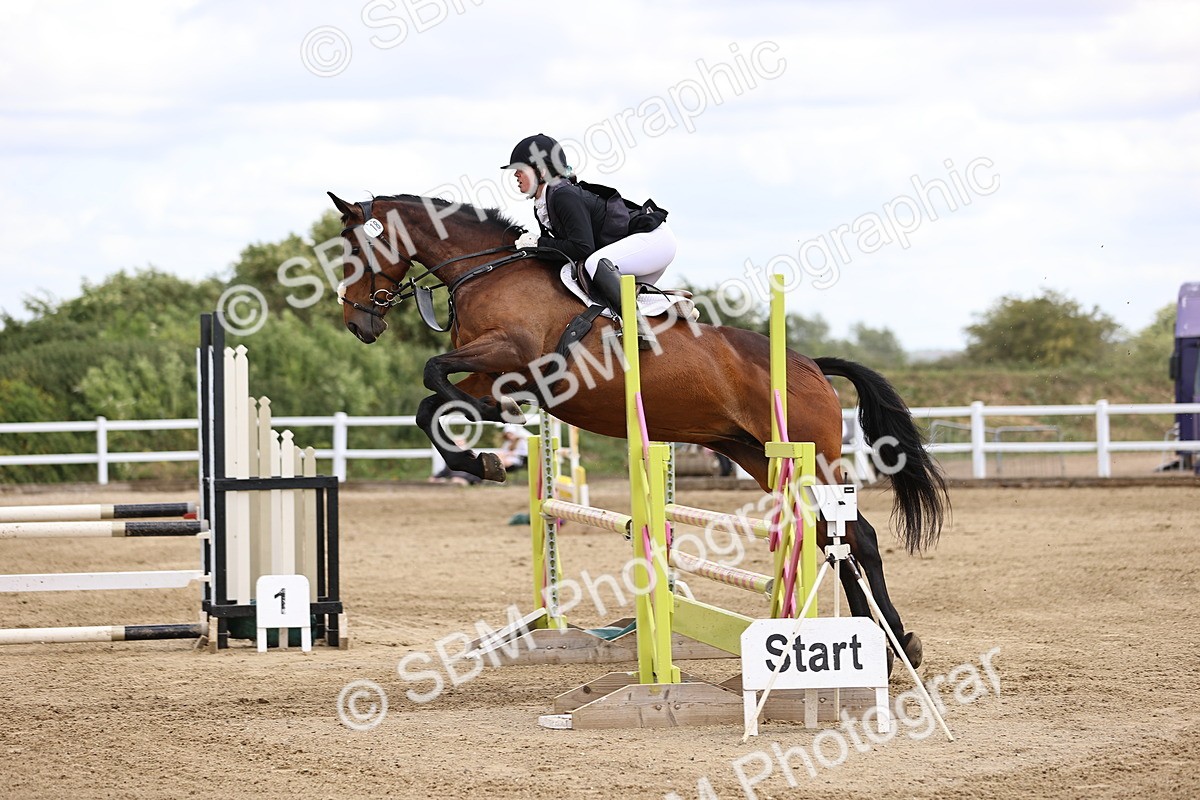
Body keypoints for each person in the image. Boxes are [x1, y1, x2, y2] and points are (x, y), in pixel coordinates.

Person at [502, 133, 676, 349]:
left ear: (542, 171)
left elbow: (582, 248)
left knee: (594, 263)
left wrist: (538, 244)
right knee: (599, 295)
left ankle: (639, 329)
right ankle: (674, 310)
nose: (515, 174)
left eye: (521, 168)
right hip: (641, 246)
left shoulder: (562, 195)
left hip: (653, 240)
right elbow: (562, 252)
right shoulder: (544, 203)